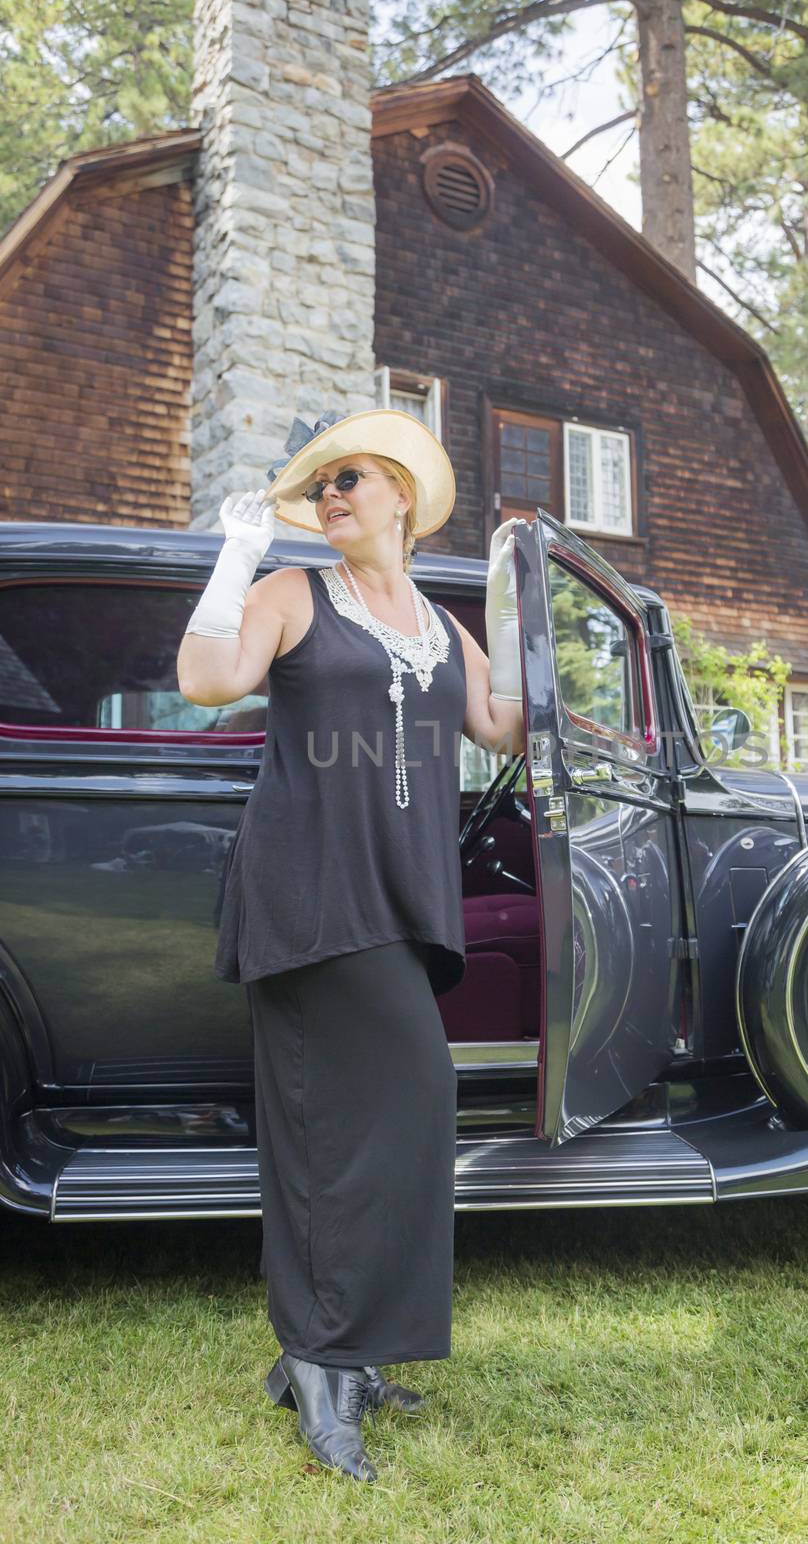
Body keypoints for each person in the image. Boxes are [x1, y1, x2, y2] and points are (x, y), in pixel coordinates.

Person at [176, 408, 524, 1484]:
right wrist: (235, 556)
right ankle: (321, 1369)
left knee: (399, 1119)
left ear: (401, 500)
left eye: (350, 480)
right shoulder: (292, 595)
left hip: (396, 897)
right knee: (340, 1129)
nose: (330, 497)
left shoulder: (433, 619)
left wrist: (513, 609)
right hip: (307, 896)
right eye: (318, 486)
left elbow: (502, 723)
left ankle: (343, 1351)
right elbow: (206, 680)